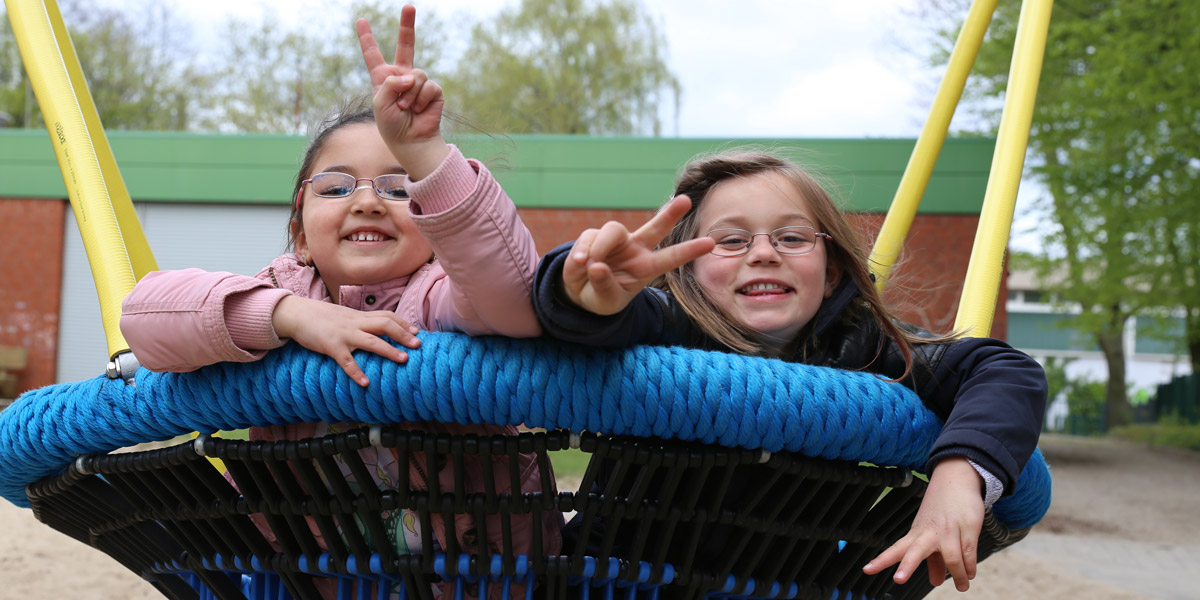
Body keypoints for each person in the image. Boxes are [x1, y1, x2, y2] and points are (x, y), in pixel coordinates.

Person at [119, 6, 561, 598]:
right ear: (301, 233)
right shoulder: (281, 289)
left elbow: (510, 294)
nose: (369, 200)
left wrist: (428, 151)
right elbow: (143, 316)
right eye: (336, 186)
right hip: (317, 579)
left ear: (434, 226)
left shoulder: (436, 296)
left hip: (475, 573)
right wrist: (289, 316)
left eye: (402, 187)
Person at [531, 149, 1047, 593]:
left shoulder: (864, 347)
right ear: (684, 271)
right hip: (610, 580)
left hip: (788, 583)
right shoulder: (668, 324)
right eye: (730, 241)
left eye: (793, 238)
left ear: (832, 274)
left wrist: (959, 475)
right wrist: (588, 295)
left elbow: (1003, 369)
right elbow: (584, 322)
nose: (762, 253)